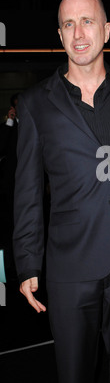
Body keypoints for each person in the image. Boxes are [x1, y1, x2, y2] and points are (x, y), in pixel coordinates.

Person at [13, 0, 110, 383]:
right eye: (68, 24)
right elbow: (26, 189)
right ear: (59, 35)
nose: (78, 32)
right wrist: (26, 263)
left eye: (87, 21)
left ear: (106, 30)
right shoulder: (35, 103)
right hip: (70, 265)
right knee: (74, 376)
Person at [0, 93, 19, 281]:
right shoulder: (9, 127)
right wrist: (9, 122)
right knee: (9, 226)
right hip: (10, 184)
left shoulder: (34, 124)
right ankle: (8, 265)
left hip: (31, 182)